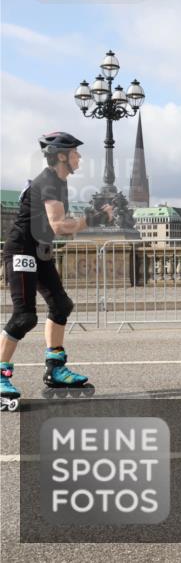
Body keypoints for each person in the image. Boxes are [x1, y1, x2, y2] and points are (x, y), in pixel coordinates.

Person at [0, 132, 112, 410]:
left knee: (61, 304)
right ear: (62, 156)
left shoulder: (58, 182)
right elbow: (60, 226)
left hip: (40, 251)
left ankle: (55, 369)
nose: (80, 157)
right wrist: (95, 218)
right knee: (24, 316)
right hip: (22, 251)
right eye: (75, 152)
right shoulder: (49, 182)